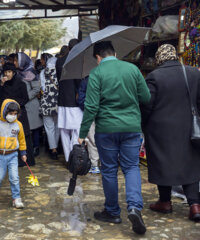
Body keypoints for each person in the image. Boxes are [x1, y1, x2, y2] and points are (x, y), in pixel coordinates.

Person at [78, 41, 150, 235]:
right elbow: (145, 97)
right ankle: (134, 207)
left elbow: (91, 106)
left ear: (98, 58)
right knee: (131, 167)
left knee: (109, 170)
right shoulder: (132, 69)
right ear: (115, 52)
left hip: (106, 130)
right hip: (131, 128)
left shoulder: (97, 73)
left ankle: (112, 212)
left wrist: (83, 133)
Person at [141, 44, 200, 221]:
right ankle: (195, 205)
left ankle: (165, 201)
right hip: (189, 128)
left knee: (162, 163)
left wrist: (142, 126)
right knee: (190, 163)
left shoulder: (154, 77)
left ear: (159, 58)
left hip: (161, 131)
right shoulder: (193, 73)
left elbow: (146, 105)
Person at [0, 99, 27, 209]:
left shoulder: (18, 125)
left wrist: (23, 152)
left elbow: (22, 140)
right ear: (4, 111)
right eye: (10, 113)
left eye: (15, 114)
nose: (12, 116)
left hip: (13, 155)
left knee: (14, 177)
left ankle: (16, 198)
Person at [0, 63, 35, 166]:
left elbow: (25, 98)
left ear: (13, 73)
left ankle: (23, 160)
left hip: (19, 114)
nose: (7, 74)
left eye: (9, 72)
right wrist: (1, 85)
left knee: (21, 135)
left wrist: (15, 105)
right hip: (6, 116)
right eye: (5, 72)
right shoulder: (2, 84)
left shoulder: (21, 84)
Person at [56, 39, 82, 163]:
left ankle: (68, 159)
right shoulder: (77, 61)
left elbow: (58, 79)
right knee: (76, 131)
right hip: (74, 101)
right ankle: (74, 159)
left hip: (62, 99)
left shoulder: (59, 61)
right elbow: (79, 83)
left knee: (64, 132)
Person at [14, 53, 42, 158]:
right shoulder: (18, 73)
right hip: (22, 105)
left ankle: (35, 147)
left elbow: (36, 89)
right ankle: (25, 149)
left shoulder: (30, 73)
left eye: (16, 61)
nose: (15, 63)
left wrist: (25, 97)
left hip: (31, 105)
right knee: (24, 128)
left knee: (34, 128)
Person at [77, 76, 100, 174]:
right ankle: (105, 163)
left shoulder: (86, 80)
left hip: (91, 112)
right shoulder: (109, 78)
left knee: (92, 139)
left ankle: (95, 165)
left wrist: (86, 108)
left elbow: (81, 99)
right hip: (107, 113)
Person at [40, 57, 60, 160]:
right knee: (57, 127)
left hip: (46, 104)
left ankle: (53, 149)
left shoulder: (43, 72)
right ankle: (55, 147)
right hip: (57, 103)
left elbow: (42, 88)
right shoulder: (60, 71)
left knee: (49, 128)